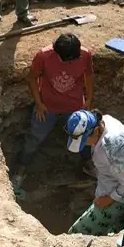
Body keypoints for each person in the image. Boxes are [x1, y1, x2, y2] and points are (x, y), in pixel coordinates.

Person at [15, 34, 94, 183]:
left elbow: (89, 75)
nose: (72, 62)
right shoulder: (44, 56)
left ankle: (88, 164)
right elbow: (32, 78)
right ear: (58, 53)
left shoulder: (84, 55)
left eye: (74, 60)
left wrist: (89, 99)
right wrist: (38, 103)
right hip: (47, 107)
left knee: (83, 135)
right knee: (35, 137)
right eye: (68, 60)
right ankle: (21, 169)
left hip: (74, 107)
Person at [65, 110, 124, 236]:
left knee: (76, 233)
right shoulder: (106, 120)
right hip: (109, 185)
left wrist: (109, 199)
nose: (85, 145)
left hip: (120, 197)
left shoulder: (110, 147)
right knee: (114, 223)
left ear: (97, 131)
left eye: (84, 140)